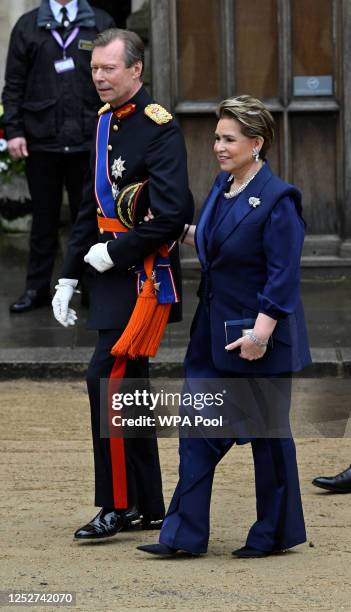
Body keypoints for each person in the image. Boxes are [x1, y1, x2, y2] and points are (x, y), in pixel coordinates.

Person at [137, 95, 312, 559]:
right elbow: (218, 240)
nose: (218, 145)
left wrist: (260, 334)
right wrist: (178, 229)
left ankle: (273, 535)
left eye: (228, 139)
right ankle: (182, 536)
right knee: (196, 431)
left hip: (258, 339)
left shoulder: (279, 199)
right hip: (211, 335)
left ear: (256, 144)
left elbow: (283, 275)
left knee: (270, 444)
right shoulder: (223, 185)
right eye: (216, 137)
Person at [52, 28, 194, 539]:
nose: (100, 77)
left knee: (107, 383)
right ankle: (148, 502)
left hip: (142, 278)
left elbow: (176, 211)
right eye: (94, 70)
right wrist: (68, 275)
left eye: (109, 68)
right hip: (106, 275)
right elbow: (91, 208)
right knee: (127, 389)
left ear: (136, 71)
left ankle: (118, 504)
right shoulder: (104, 122)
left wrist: (115, 252)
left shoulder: (159, 128)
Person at [2, 0, 115, 313]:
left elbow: (117, 80)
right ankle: (36, 289)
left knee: (93, 220)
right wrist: (14, 131)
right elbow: (13, 85)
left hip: (88, 141)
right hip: (42, 141)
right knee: (43, 221)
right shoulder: (27, 26)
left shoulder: (100, 21)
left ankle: (94, 289)